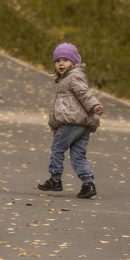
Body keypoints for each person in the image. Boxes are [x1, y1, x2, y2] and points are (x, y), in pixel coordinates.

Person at [37, 42, 103, 199]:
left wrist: (94, 105)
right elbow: (59, 107)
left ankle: (55, 180)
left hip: (72, 123)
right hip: (81, 125)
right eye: (57, 60)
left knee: (57, 149)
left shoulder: (74, 77)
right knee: (78, 156)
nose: (61, 63)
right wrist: (54, 126)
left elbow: (84, 93)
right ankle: (88, 184)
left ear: (74, 62)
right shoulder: (66, 80)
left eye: (65, 60)